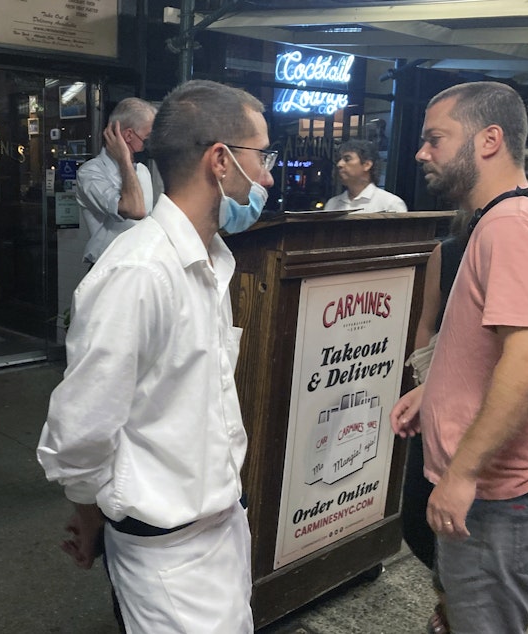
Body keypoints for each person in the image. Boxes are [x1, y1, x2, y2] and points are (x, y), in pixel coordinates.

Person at [37, 79, 274, 632]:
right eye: (261, 156)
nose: (265, 176)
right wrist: (89, 509)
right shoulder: (140, 271)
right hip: (166, 552)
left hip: (219, 526)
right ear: (221, 160)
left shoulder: (208, 258)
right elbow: (80, 430)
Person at [391, 81, 528, 634]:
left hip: (502, 499)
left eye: (435, 139)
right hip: (504, 496)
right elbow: (499, 347)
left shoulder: (513, 226)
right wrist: (438, 389)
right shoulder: (507, 219)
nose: (422, 153)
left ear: (489, 140)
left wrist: (462, 474)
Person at [76, 97, 157, 264]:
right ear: (128, 135)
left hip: (139, 264)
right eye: (147, 137)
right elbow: (135, 210)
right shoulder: (90, 172)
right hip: (108, 268)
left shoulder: (142, 171)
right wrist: (124, 160)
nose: (149, 143)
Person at [324, 138, 407, 212]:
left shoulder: (390, 204)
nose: (339, 164)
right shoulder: (332, 204)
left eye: (347, 159)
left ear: (367, 165)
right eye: (339, 159)